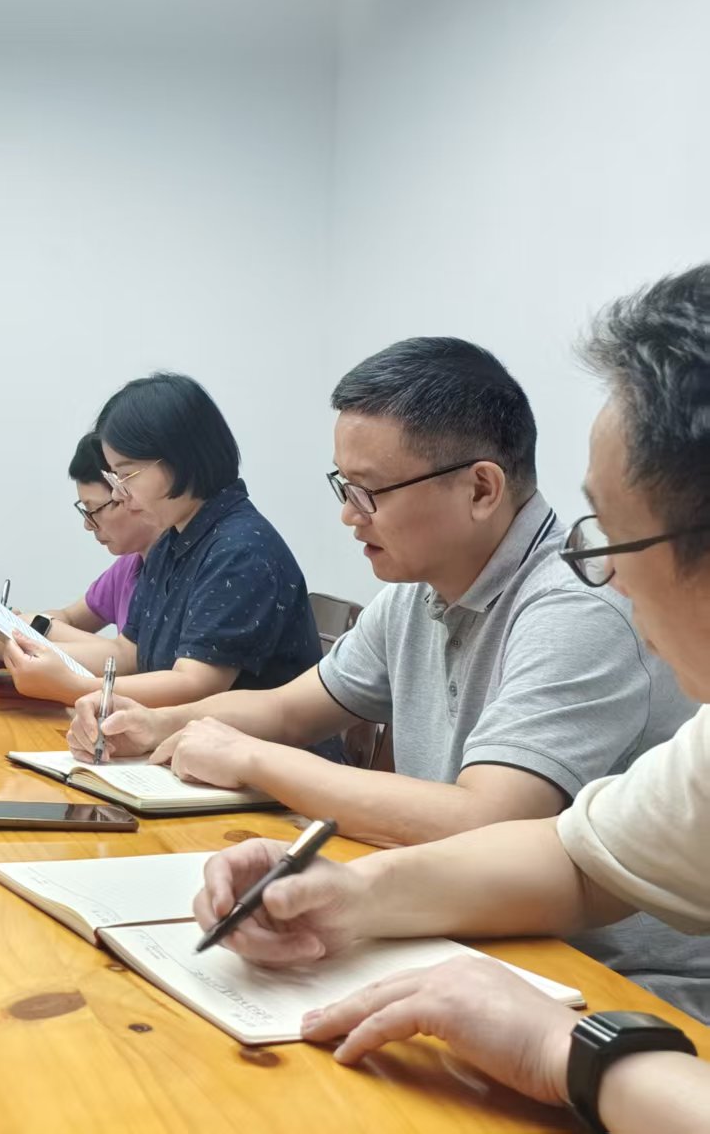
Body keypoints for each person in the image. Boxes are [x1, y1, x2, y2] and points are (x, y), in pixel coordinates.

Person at [190, 271, 710, 1132]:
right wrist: (348, 893)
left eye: (617, 532)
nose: (608, 572)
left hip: (640, 1006)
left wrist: (563, 1050)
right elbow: (580, 861)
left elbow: (492, 819)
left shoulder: (575, 606)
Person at [67, 337, 702, 1010]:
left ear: (481, 488)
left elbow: (490, 819)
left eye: (368, 492)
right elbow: (289, 709)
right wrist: (159, 721)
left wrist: (252, 758)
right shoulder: (418, 591)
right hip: (477, 931)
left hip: (612, 983)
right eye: (344, 487)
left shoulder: (578, 606)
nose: (348, 514)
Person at [3, 373, 323, 710]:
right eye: (114, 477)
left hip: (251, 742)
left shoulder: (240, 551)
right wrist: (32, 653)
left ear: (180, 458)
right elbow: (128, 654)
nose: (119, 494)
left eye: (126, 475)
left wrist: (73, 687)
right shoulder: (173, 540)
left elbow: (195, 685)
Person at [41, 431, 160, 634]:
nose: (89, 525)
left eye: (94, 509)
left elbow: (128, 652)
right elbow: (70, 618)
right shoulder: (129, 566)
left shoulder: (183, 572)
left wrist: (30, 632)